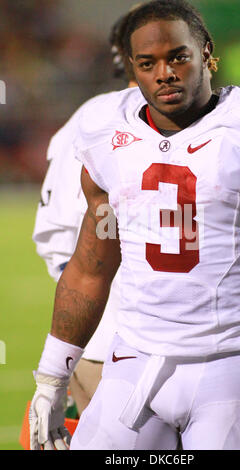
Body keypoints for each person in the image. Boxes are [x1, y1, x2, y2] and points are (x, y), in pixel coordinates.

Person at [29, 0, 240, 451]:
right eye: (148, 63)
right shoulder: (107, 134)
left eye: (178, 56)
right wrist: (52, 376)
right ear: (133, 69)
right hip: (131, 360)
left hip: (227, 363)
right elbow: (89, 269)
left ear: (206, 53)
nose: (165, 73)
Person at [30, 9, 138, 425]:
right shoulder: (94, 121)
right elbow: (58, 236)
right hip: (107, 342)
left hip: (207, 350)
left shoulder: (218, 120)